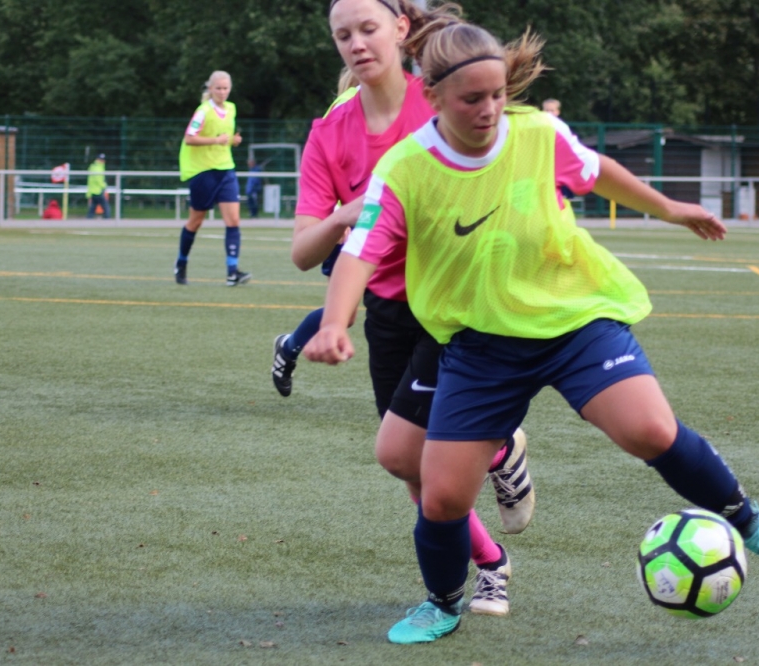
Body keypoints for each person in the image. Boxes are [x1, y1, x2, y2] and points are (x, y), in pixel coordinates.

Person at [304, 21, 759, 645]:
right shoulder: (405, 167)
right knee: (441, 499)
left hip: (574, 322)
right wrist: (333, 323)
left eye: (498, 94)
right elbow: (359, 251)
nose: (490, 110)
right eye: (472, 99)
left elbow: (598, 171)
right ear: (433, 95)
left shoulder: (537, 133)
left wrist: (669, 208)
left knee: (651, 430)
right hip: (480, 347)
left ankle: (754, 526)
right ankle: (442, 604)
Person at [275, 0, 537, 618]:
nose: (356, 43)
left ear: (400, 29)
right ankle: (492, 554)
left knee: (414, 452)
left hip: (458, 304)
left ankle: (495, 453)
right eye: (343, 34)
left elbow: (507, 167)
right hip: (389, 309)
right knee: (410, 467)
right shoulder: (328, 132)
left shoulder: (444, 99)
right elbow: (303, 251)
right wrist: (345, 215)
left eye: (368, 28)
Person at [173, 70, 251, 287]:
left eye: (226, 88)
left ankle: (233, 272)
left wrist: (232, 140)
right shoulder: (203, 111)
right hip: (204, 172)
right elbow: (189, 138)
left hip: (226, 170)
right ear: (210, 88)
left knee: (233, 221)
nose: (222, 92)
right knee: (196, 221)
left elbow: (224, 138)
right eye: (218, 88)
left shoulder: (231, 108)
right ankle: (181, 263)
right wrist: (216, 141)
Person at [86, 153, 111, 219]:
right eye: (102, 159)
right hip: (98, 191)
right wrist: (104, 186)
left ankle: (88, 219)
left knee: (93, 207)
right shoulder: (98, 168)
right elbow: (98, 179)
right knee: (106, 207)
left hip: (93, 190)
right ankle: (108, 220)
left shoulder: (94, 166)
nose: (103, 161)